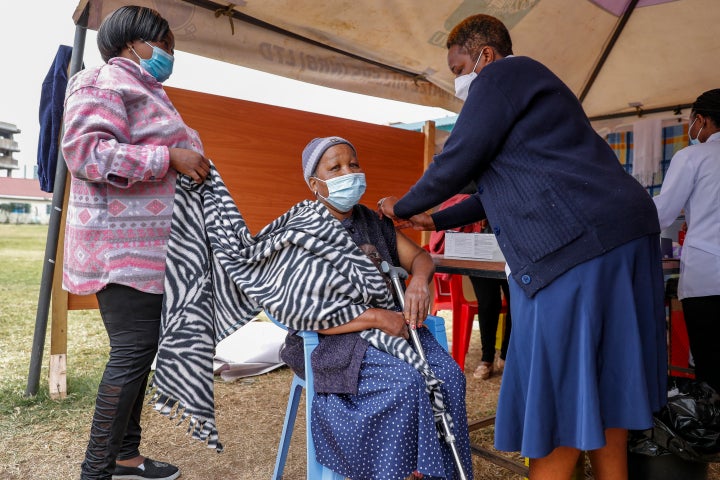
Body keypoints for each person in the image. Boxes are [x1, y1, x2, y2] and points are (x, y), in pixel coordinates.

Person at [377, 14, 667, 480]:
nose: (459, 83)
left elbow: (457, 158)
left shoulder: (505, 74)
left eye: (458, 69)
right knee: (604, 383)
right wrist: (433, 217)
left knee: (562, 391)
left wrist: (403, 205)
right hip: (621, 233)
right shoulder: (531, 100)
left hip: (580, 245)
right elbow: (489, 186)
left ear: (485, 56)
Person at [61, 6, 210, 480]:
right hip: (118, 249)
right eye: (165, 44)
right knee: (131, 351)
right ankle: (95, 471)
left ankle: (125, 456)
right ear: (135, 42)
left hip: (149, 249)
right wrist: (170, 157)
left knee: (139, 352)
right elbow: (84, 153)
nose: (170, 54)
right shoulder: (101, 82)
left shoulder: (147, 88)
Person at [280, 136, 473, 480]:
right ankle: (398, 471)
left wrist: (418, 281)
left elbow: (421, 258)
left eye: (353, 164)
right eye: (335, 167)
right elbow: (307, 311)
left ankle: (436, 472)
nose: (348, 172)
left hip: (393, 330)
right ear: (315, 183)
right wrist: (377, 317)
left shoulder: (372, 221)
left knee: (451, 378)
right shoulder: (302, 232)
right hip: (335, 339)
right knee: (405, 383)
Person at [653, 89, 720, 394]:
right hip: (708, 274)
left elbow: (661, 214)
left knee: (711, 372)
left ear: (702, 120)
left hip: (708, 278)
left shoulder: (692, 157)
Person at [428, 195, 512, 380]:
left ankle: (507, 356)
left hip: (511, 246)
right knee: (489, 302)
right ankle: (486, 359)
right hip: (479, 248)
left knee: (517, 302)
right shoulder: (474, 177)